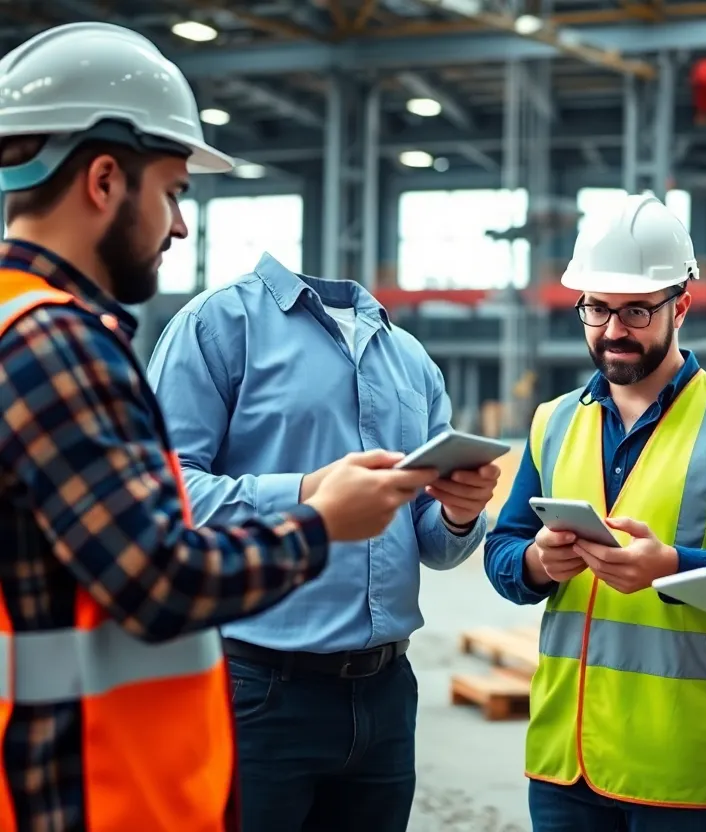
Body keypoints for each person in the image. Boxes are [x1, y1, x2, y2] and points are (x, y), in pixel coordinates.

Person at [0, 22, 426, 832]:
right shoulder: (55, 343)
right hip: (84, 786)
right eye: (172, 192)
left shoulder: (15, 321)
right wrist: (319, 521)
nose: (180, 227)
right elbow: (162, 581)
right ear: (102, 181)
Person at [484, 193, 706, 831]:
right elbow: (504, 552)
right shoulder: (552, 422)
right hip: (565, 756)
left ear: (680, 305)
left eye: (635, 310)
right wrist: (534, 562)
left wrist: (672, 567)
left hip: (677, 760)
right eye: (597, 309)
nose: (612, 330)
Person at [146, 257, 499, 826]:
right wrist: (308, 494)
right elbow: (165, 491)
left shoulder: (409, 358)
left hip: (385, 695)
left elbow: (433, 542)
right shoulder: (218, 324)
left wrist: (461, 515)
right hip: (258, 690)